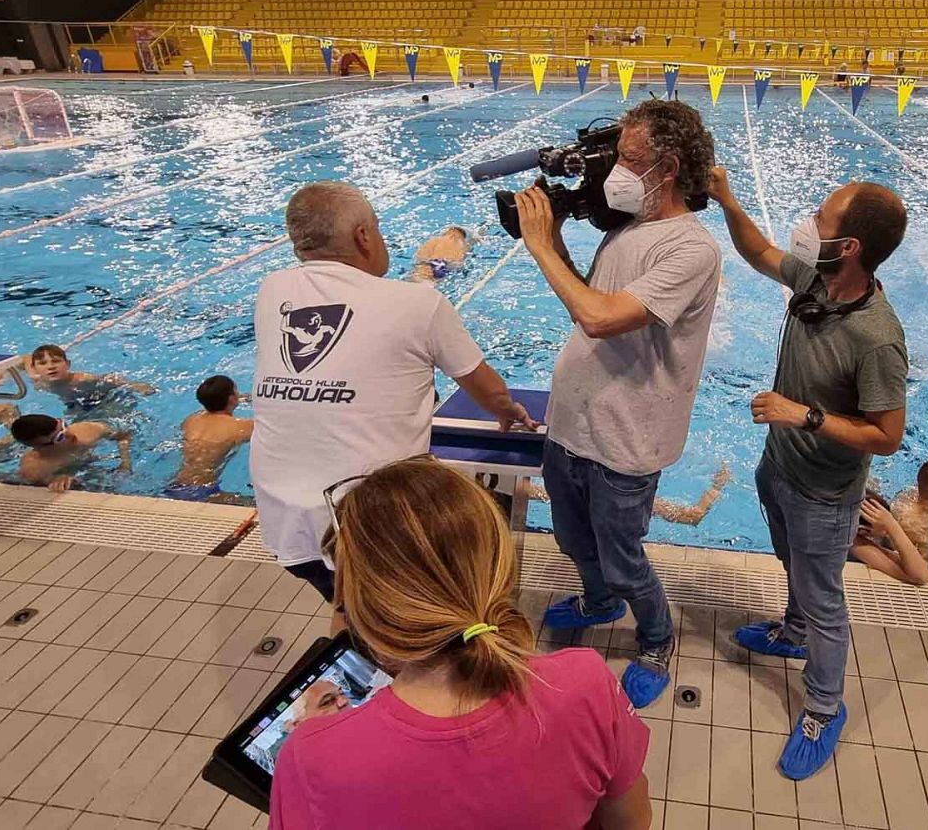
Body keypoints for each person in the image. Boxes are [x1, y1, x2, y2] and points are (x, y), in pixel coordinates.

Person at [270, 457, 652, 830]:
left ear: (362, 615)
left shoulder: (311, 757)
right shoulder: (585, 684)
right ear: (499, 570)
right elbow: (632, 820)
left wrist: (334, 744)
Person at [511, 99, 720, 710]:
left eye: (629, 159)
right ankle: (598, 603)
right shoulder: (625, 229)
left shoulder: (690, 249)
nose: (613, 172)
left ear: (669, 167)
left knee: (626, 562)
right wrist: (554, 241)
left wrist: (539, 247)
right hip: (572, 426)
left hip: (627, 443)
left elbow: (600, 320)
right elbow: (589, 301)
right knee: (575, 543)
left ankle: (655, 637)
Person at [709, 164, 910, 780]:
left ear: (849, 246)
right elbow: (760, 252)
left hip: (826, 491)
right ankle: (792, 631)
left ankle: (825, 705)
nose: (807, 223)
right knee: (791, 565)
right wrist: (726, 198)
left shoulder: (876, 339)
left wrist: (806, 415)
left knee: (826, 600)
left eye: (821, 217)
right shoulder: (818, 283)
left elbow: (888, 436)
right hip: (781, 468)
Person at [252, 182, 535, 606]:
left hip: (286, 527)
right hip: (374, 529)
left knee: (350, 606)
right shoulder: (418, 303)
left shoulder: (272, 290)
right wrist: (509, 411)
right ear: (364, 237)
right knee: (414, 623)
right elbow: (489, 390)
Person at [850, 460, 928, 585]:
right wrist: (892, 526)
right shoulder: (856, 543)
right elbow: (923, 574)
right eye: (884, 526)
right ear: (864, 531)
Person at [518, 463, 732, 527]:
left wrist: (716, 487)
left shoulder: (630, 499)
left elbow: (694, 516)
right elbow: (524, 489)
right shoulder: (576, 492)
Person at [164, 375, 253, 504]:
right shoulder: (241, 427)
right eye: (236, 391)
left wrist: (245, 398)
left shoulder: (192, 420)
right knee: (260, 507)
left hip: (174, 487)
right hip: (202, 493)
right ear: (232, 399)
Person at [0, 344, 155, 414]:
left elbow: (112, 379)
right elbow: (25, 358)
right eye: (43, 363)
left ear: (68, 364)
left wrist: (136, 386)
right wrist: (0, 377)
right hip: (74, 403)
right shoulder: (38, 379)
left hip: (104, 399)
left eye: (56, 361)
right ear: (36, 367)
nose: (50, 366)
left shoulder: (83, 379)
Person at [10, 414, 131, 492]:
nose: (70, 435)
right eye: (60, 437)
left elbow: (124, 435)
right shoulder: (35, 469)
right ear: (38, 447)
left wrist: (125, 463)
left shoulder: (88, 430)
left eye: (64, 426)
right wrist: (58, 480)